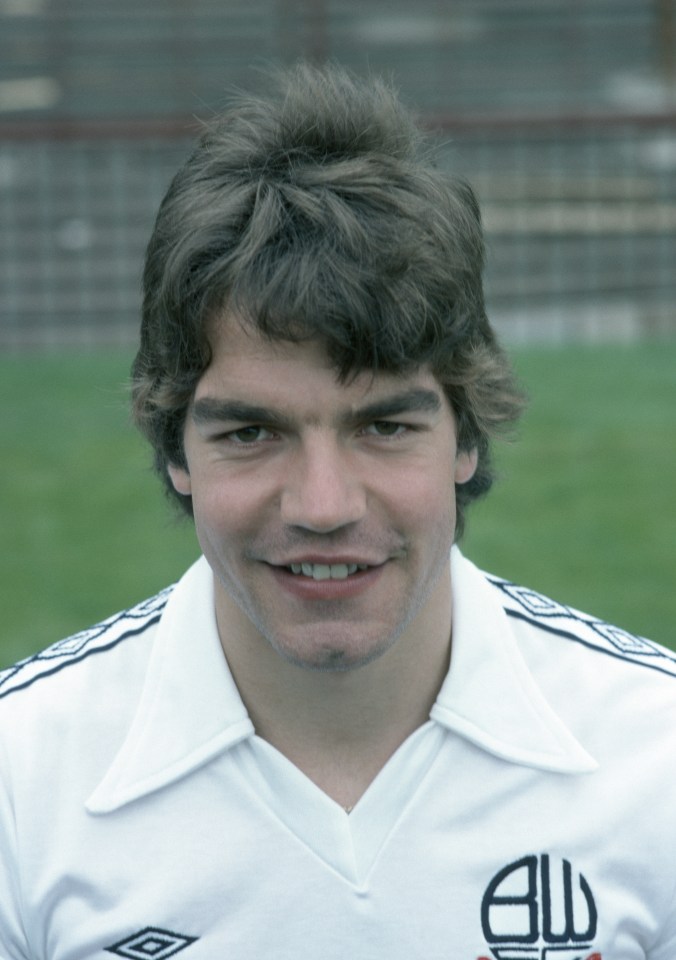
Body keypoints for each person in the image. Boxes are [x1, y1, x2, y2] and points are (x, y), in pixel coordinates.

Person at [1, 63, 675, 960]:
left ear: (465, 437)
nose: (323, 505)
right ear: (175, 453)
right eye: (251, 433)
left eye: (385, 425)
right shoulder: (20, 781)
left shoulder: (655, 757)